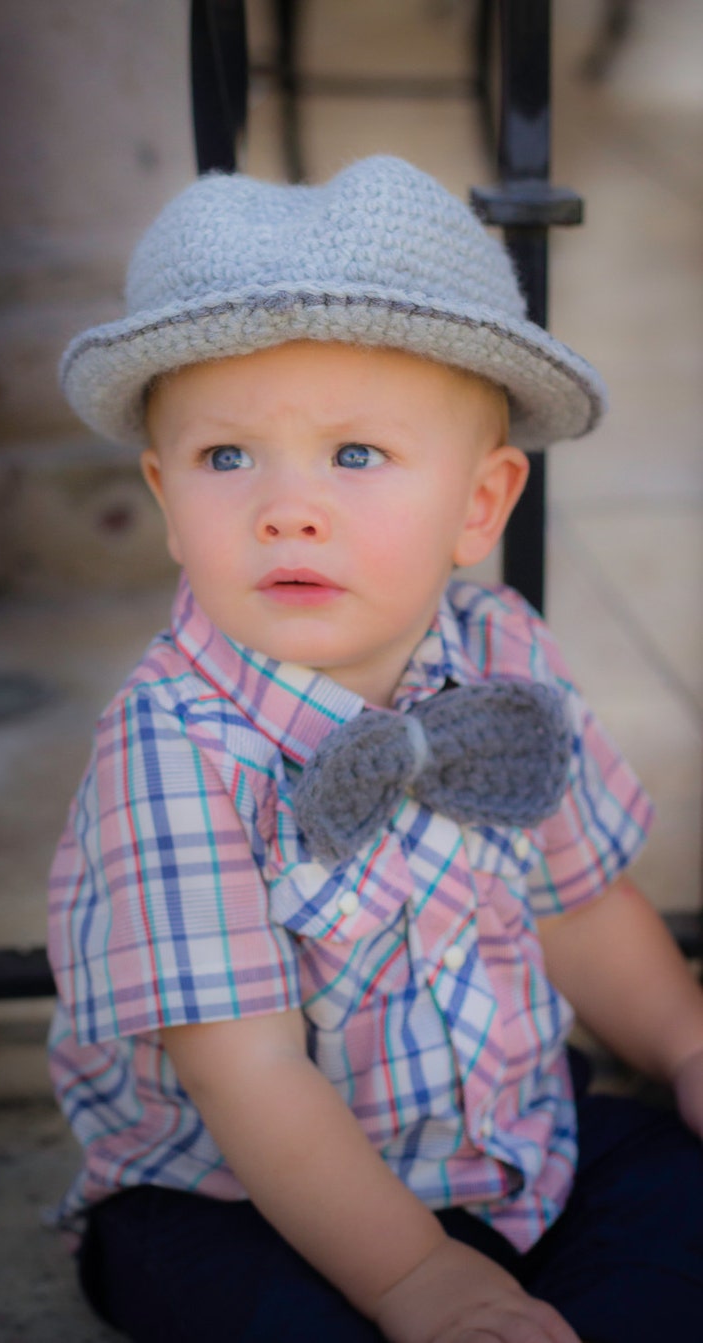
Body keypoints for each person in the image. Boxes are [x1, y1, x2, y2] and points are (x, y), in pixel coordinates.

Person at [47, 156, 703, 1343]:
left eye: (354, 455)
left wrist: (685, 1042)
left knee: (670, 1188)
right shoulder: (171, 743)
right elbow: (246, 1072)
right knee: (276, 1311)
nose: (286, 506)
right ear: (162, 493)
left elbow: (575, 902)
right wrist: (419, 1281)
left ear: (480, 502)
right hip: (237, 1190)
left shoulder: (502, 652)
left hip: (504, 1144)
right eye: (224, 456)